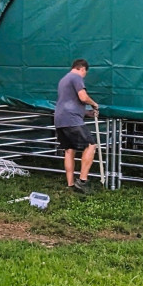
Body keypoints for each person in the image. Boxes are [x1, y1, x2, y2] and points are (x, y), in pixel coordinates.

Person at [54, 59, 99, 194]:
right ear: (82, 69)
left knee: (69, 150)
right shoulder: (76, 77)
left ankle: (70, 184)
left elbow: (69, 103)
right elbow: (83, 97)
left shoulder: (63, 80)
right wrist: (94, 104)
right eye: (85, 72)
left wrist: (86, 113)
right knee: (91, 145)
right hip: (72, 120)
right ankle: (83, 181)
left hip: (60, 119)